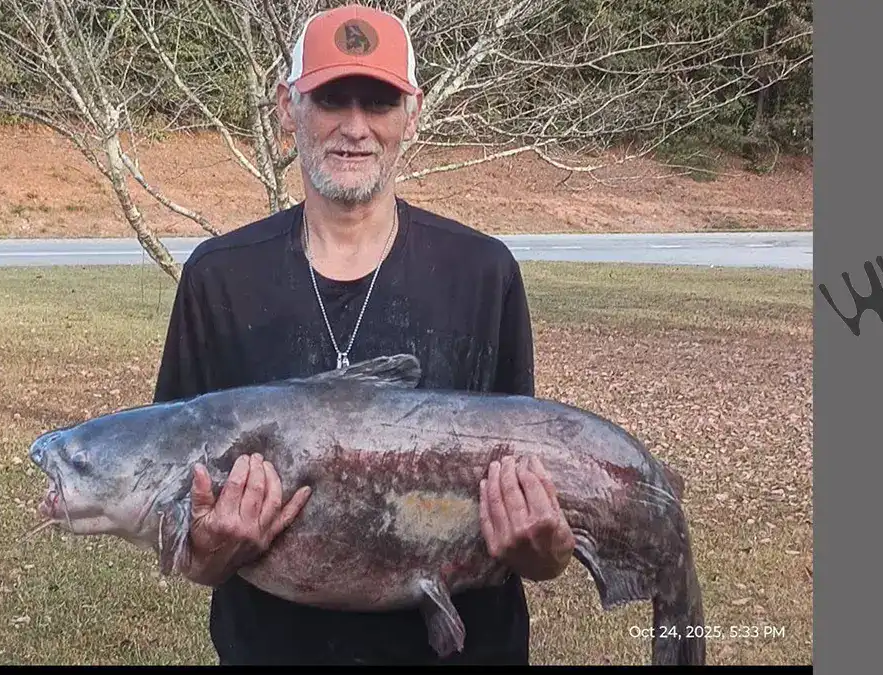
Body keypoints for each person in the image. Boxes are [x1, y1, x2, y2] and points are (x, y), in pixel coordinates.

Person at [152, 3, 575, 666]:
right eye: (330, 99)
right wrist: (206, 551)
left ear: (412, 113)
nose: (355, 127)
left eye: (377, 101)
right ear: (287, 108)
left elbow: (524, 511)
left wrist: (544, 553)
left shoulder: (483, 273)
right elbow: (175, 515)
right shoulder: (219, 279)